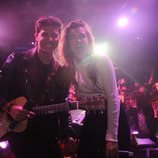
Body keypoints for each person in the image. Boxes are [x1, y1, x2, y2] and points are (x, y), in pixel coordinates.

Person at [0, 16, 73, 158]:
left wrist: (67, 131)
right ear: (36, 36)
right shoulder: (17, 61)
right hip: (20, 133)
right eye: (45, 34)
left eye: (54, 35)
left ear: (59, 38)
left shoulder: (61, 71)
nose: (50, 40)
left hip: (48, 134)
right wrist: (10, 107)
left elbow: (62, 103)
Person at [59, 19, 120, 158]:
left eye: (82, 36)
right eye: (73, 37)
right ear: (67, 42)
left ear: (88, 39)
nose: (78, 40)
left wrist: (112, 137)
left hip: (111, 121)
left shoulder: (101, 59)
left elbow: (113, 98)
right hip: (91, 119)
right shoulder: (68, 66)